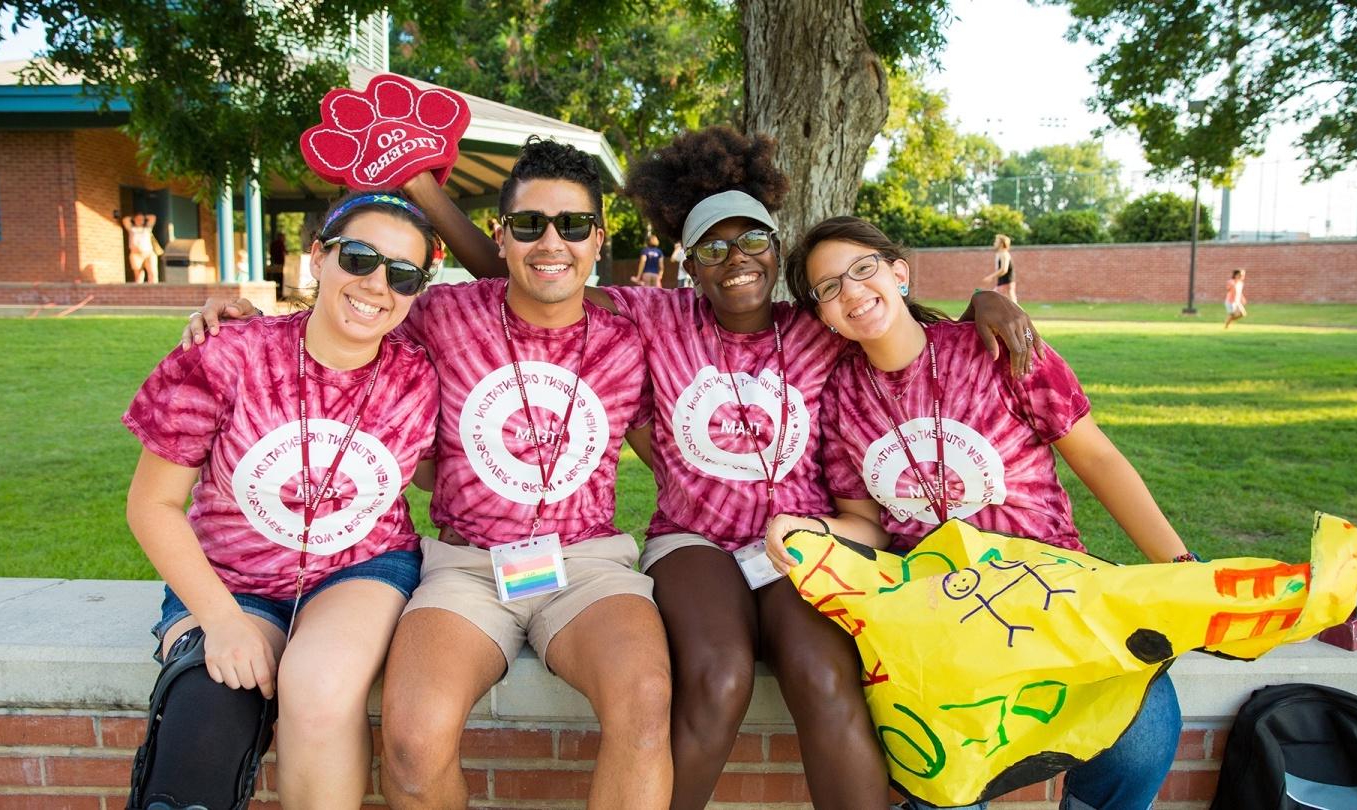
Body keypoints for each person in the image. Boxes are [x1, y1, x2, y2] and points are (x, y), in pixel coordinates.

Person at [400, 125, 1040, 810]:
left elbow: (891, 320)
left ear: (777, 247)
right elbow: (541, 273)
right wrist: (424, 192)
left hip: (801, 540)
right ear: (688, 263)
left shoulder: (814, 327)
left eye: (754, 240)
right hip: (694, 539)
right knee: (720, 674)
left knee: (825, 677)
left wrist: (983, 303)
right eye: (712, 247)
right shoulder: (660, 317)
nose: (735, 258)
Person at [183, 137, 673, 810]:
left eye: (573, 225)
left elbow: (687, 444)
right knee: (411, 744)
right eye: (529, 224)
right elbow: (344, 319)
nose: (551, 242)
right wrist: (235, 322)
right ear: (500, 236)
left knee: (646, 706)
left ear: (598, 238)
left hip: (587, 562)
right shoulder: (441, 315)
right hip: (467, 567)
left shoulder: (631, 334)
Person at [771, 215, 1199, 810]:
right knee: (943, 782)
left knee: (1141, 736)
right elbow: (866, 524)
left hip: (1052, 588)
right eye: (829, 287)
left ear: (899, 272)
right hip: (940, 612)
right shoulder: (842, 396)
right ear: (821, 312)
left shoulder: (995, 347)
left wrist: (1180, 565)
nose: (852, 292)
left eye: (863, 269)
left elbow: (1096, 457)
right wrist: (810, 529)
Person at [125, 191, 441, 809]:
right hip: (230, 574)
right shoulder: (227, 353)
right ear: (319, 256)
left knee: (319, 689)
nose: (377, 285)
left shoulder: (419, 373)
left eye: (403, 274)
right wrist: (221, 621)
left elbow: (440, 468)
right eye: (359, 258)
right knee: (206, 709)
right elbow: (152, 505)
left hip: (360, 567)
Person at [123, 213, 160, 283]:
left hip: (148, 253)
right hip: (136, 254)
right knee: (139, 276)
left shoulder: (147, 228)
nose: (140, 221)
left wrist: (144, 217)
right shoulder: (132, 229)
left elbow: (153, 217)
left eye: (142, 219)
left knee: (152, 272)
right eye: (138, 219)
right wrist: (134, 218)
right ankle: (140, 292)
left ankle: (154, 290)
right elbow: (125, 220)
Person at [981, 232, 1016, 302]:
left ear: (1001, 244)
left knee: (992, 300)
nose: (994, 243)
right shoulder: (1000, 254)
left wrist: (991, 276)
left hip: (1006, 282)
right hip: (1003, 282)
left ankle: (1019, 313)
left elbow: (1004, 269)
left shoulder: (1004, 254)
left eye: (996, 241)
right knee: (1010, 303)